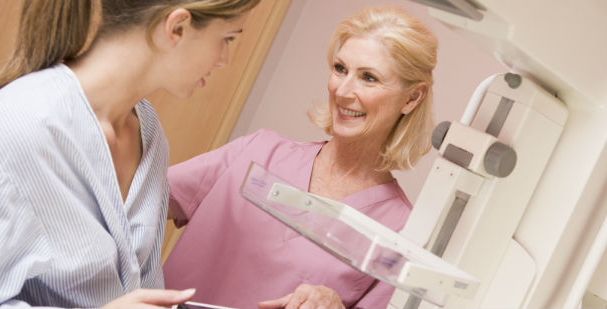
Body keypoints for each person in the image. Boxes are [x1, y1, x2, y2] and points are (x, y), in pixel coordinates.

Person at [0, 0, 260, 307]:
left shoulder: (149, 133)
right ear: (177, 28)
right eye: (227, 38)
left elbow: (141, 285)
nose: (224, 59)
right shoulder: (15, 129)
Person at [163, 5, 439, 309]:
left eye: (369, 78)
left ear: (412, 98)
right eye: (340, 69)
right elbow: (126, 202)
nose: (343, 90)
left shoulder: (398, 231)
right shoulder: (258, 152)